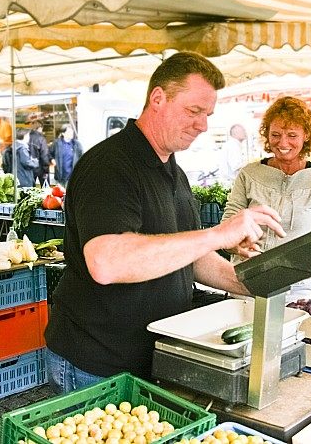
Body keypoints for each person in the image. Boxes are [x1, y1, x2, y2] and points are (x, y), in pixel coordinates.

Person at [43, 51, 285, 394]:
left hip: (153, 357)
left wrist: (251, 284)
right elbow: (106, 262)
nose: (202, 124)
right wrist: (216, 234)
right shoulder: (109, 167)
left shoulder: (175, 173)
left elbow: (190, 256)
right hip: (96, 364)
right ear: (158, 98)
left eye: (208, 114)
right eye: (194, 111)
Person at [222, 97, 311, 302]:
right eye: (275, 134)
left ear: (306, 136)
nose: (283, 143)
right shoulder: (249, 174)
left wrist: (290, 265)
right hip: (245, 283)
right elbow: (227, 227)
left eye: (292, 135)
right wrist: (237, 245)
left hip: (297, 289)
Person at [28, 120, 51, 186]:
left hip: (30, 168)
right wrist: (46, 170)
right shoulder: (41, 139)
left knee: (30, 190)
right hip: (41, 168)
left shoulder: (27, 137)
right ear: (40, 128)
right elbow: (44, 156)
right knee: (45, 189)